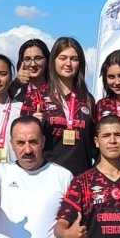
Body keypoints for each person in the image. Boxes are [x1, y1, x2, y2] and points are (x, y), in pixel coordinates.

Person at [25, 37, 98, 176]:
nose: (68, 63)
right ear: (53, 61)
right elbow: (22, 139)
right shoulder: (36, 97)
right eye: (63, 58)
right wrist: (32, 124)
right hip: (46, 177)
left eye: (74, 59)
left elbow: (96, 143)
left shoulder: (87, 99)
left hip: (81, 177)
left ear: (80, 63)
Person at [12, 39, 50, 104]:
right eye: (27, 59)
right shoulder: (15, 92)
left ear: (47, 60)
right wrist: (16, 84)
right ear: (21, 62)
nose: (33, 64)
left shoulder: (58, 90)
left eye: (38, 58)